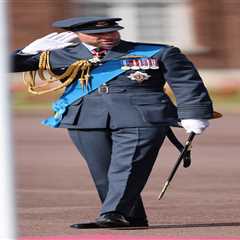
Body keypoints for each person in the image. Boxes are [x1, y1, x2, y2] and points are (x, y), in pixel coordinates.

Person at [11, 17, 214, 228]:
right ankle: (132, 217)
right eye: (98, 35)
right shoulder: (61, 54)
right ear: (76, 34)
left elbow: (186, 82)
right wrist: (26, 52)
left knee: (128, 167)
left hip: (141, 116)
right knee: (103, 172)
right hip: (85, 117)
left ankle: (112, 214)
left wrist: (194, 113)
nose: (108, 37)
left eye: (112, 32)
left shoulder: (157, 52)